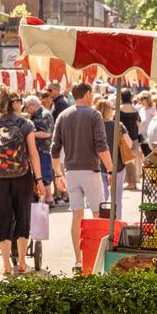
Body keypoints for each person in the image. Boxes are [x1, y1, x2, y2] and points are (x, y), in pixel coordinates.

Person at [51, 83, 114, 273]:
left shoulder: (63, 115)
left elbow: (54, 148)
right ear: (87, 94)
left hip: (70, 171)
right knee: (97, 214)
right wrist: (111, 170)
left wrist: (58, 174)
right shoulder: (94, 115)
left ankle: (78, 260)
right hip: (90, 171)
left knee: (76, 215)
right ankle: (94, 258)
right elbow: (101, 146)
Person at [0, 88, 43, 276]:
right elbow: (33, 153)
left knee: (1, 217)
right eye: (19, 100)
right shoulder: (26, 124)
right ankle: (21, 262)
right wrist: (39, 179)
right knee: (22, 215)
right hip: (22, 176)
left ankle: (5, 265)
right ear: (14, 104)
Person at [96, 98, 130, 216]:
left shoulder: (94, 126)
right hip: (117, 166)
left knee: (101, 198)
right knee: (116, 198)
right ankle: (117, 223)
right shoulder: (118, 126)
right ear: (110, 111)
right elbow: (129, 144)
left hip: (99, 166)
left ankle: (102, 222)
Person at [118, 89, 142, 191]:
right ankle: (133, 182)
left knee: (127, 160)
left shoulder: (119, 109)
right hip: (135, 137)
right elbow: (138, 124)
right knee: (134, 160)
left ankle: (130, 183)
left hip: (124, 138)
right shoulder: (135, 109)